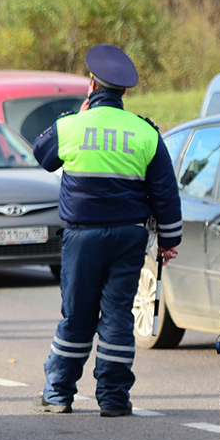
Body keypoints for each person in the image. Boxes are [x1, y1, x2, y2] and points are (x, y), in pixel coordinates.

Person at [31, 44, 182, 418]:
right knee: (117, 316)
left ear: (91, 85)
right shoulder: (145, 133)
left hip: (82, 237)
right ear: (124, 92)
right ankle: (114, 398)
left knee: (77, 314)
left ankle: (58, 393)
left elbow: (43, 155)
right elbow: (165, 191)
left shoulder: (71, 125)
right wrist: (169, 240)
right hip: (129, 237)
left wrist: (76, 117)